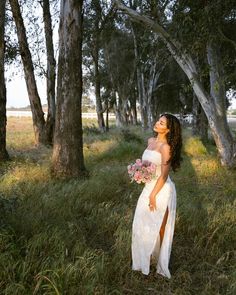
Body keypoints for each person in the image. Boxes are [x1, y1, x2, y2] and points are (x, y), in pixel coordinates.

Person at [132, 113, 182, 278]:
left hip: (161, 190)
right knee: (141, 223)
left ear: (168, 130)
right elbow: (147, 164)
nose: (157, 123)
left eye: (162, 123)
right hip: (148, 187)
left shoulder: (166, 148)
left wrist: (153, 195)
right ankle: (145, 259)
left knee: (159, 226)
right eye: (158, 121)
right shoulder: (150, 141)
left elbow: (164, 175)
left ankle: (161, 263)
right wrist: (139, 172)